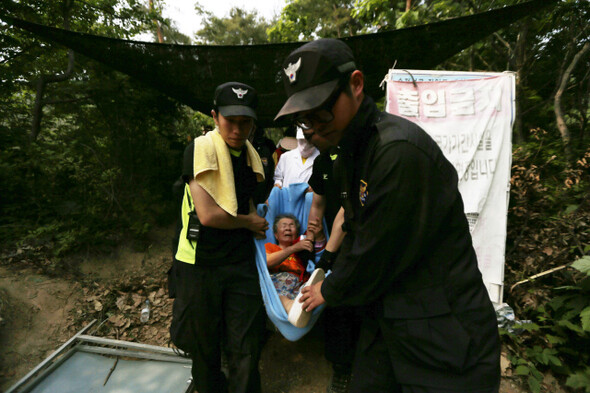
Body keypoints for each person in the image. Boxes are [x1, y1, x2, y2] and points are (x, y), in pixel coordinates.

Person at [275, 38, 501, 393]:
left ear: (356, 84)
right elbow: (353, 223)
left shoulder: (396, 152)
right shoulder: (349, 150)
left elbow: (374, 250)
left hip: (443, 336)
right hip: (390, 320)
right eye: (304, 121)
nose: (314, 128)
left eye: (320, 112)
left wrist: (329, 289)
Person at [169, 81, 269, 393]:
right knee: (204, 346)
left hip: (239, 262)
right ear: (215, 117)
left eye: (245, 122)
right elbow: (209, 215)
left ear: (253, 123)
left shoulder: (254, 158)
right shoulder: (198, 151)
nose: (237, 130)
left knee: (246, 343)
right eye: (230, 121)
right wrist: (249, 221)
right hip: (200, 263)